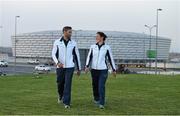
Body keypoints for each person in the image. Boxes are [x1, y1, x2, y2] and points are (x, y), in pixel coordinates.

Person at [85, 32, 116, 109]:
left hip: (103, 70)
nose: (96, 37)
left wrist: (114, 69)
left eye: (97, 36)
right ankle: (96, 98)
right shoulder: (93, 47)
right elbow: (89, 57)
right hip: (94, 70)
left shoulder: (107, 47)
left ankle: (101, 103)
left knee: (101, 86)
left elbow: (110, 59)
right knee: (95, 85)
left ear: (102, 37)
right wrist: (87, 66)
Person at [52, 26, 81, 108]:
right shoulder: (57, 42)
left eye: (71, 32)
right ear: (64, 32)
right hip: (60, 67)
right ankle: (60, 95)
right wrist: (57, 62)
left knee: (68, 84)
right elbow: (53, 54)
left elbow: (77, 56)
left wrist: (79, 68)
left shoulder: (73, 43)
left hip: (70, 67)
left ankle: (67, 103)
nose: (71, 33)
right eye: (69, 32)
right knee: (60, 83)